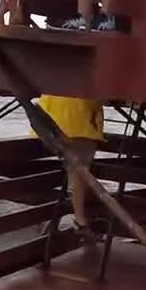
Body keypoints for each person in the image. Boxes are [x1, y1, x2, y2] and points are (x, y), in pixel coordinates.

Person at [32, 94, 104, 238]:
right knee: (80, 173)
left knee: (75, 173)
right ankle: (80, 223)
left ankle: (61, 219)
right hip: (78, 123)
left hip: (51, 116)